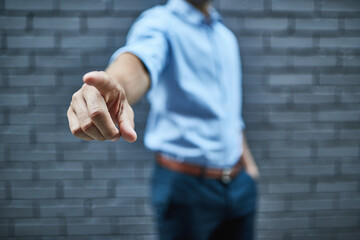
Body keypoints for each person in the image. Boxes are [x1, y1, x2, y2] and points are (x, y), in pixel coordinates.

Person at [67, 0, 260, 239]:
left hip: (239, 183)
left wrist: (248, 167)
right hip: (185, 188)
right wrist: (115, 88)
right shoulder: (160, 23)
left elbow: (230, 113)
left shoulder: (225, 37)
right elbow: (138, 61)